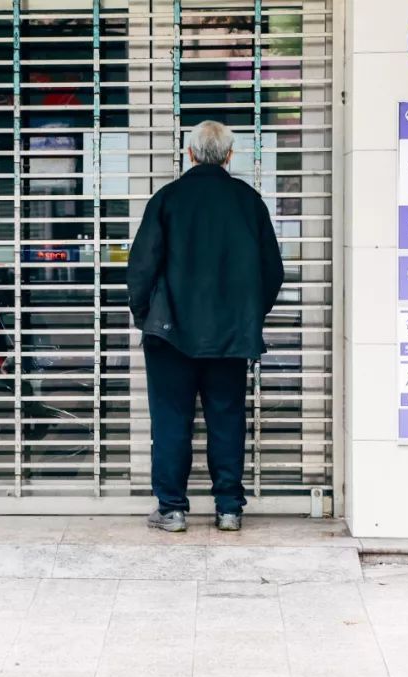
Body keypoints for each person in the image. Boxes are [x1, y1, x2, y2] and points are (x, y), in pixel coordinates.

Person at [127, 120, 284, 533]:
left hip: (170, 335)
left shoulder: (167, 199)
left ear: (190, 153)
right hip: (230, 336)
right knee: (227, 419)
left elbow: (141, 267)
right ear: (229, 156)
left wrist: (146, 317)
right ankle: (229, 508)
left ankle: (172, 509)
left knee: (171, 420)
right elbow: (272, 271)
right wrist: (248, 315)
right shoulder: (248, 202)